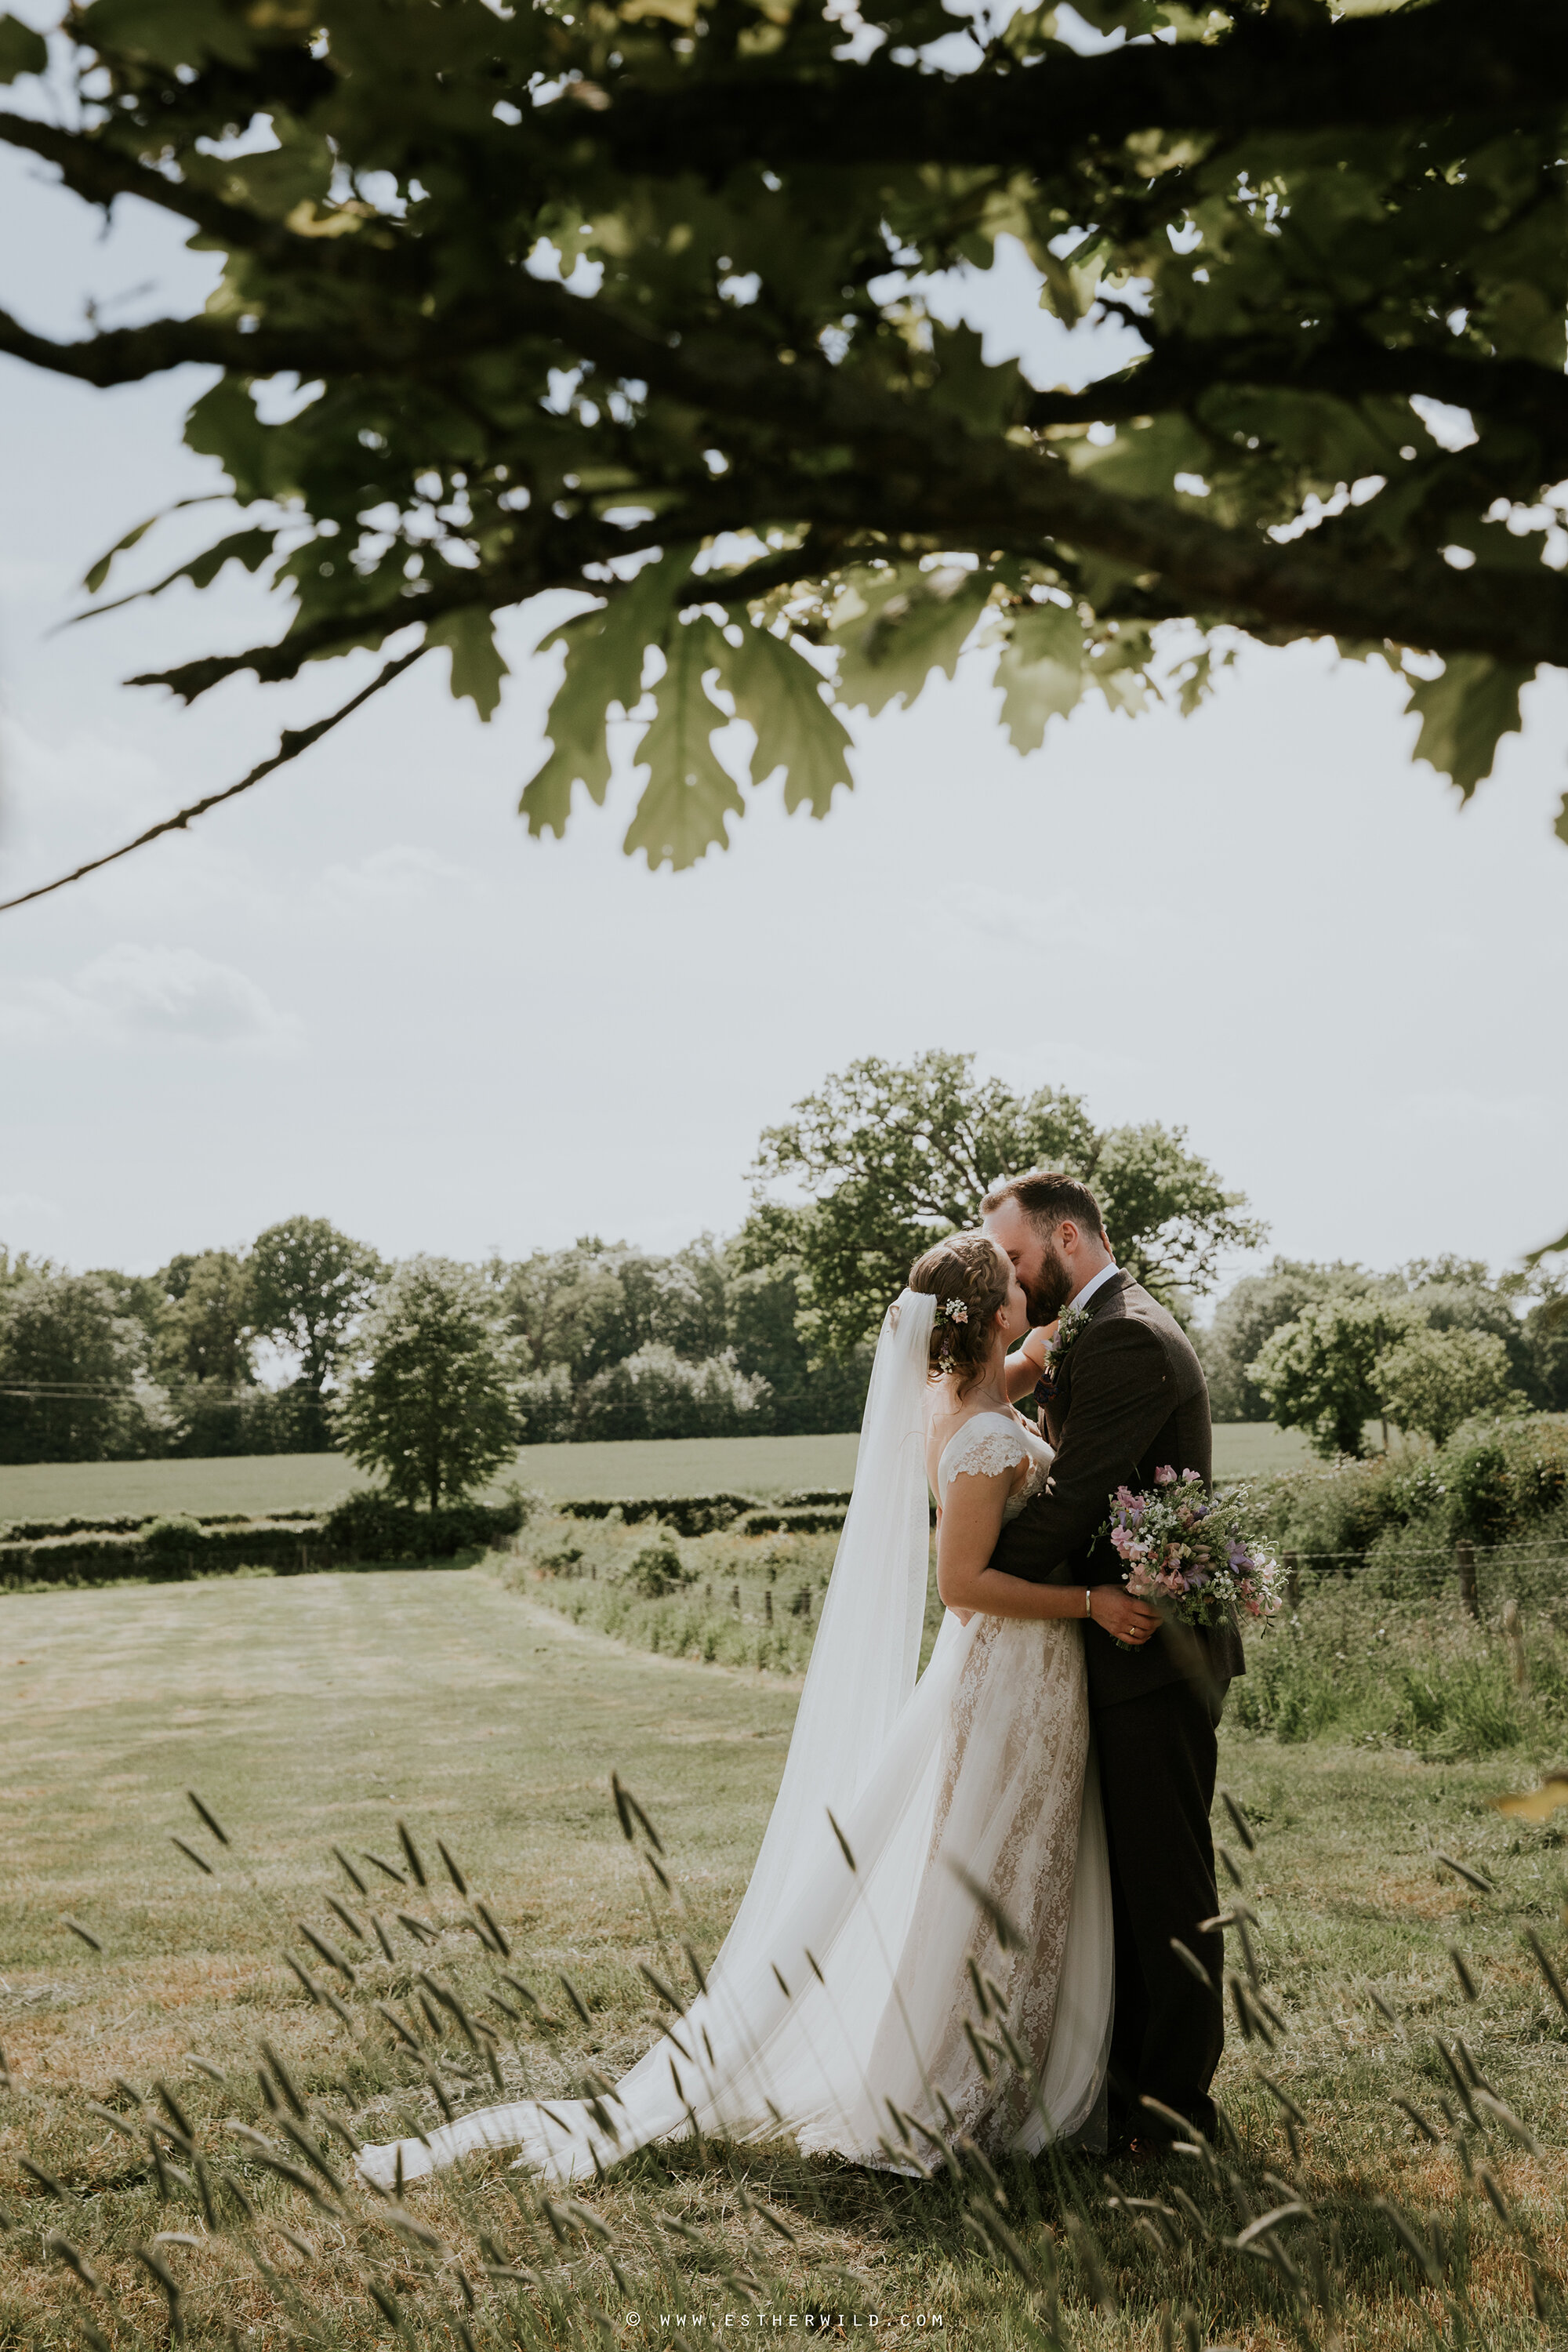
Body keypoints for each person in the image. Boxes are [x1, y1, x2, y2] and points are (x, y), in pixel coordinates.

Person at [355, 1233, 1120, 2191]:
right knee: (991, 1867)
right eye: (1016, 1287)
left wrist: (1042, 1355)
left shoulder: (962, 1401)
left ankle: (1013, 2061)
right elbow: (962, 1585)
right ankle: (959, 2082)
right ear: (991, 1314)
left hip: (1026, 1671)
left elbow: (991, 1390)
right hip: (1006, 1665)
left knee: (1011, 1862)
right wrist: (1092, 1605)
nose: (1027, 1291)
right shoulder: (975, 1438)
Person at [980, 1171, 1245, 2154]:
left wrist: (974, 1577)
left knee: (1164, 1890)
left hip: (1150, 1652)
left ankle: (1174, 2118)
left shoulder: (1126, 1333)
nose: (1005, 1274)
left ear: (1067, 1239)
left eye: (1012, 1257)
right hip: (1116, 1645)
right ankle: (1123, 2089)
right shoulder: (1095, 1328)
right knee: (1126, 1886)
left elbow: (1079, 1495)